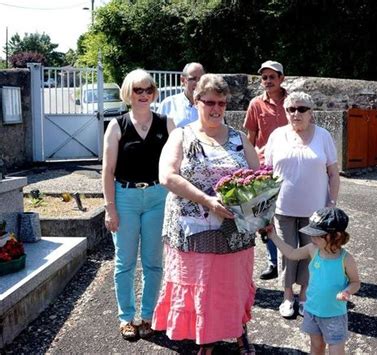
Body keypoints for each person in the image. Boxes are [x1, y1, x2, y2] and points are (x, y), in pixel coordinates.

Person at [152, 74, 260, 355]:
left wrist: (257, 209)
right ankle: (206, 339)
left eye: (221, 103)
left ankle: (239, 332)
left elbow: (258, 179)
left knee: (232, 286)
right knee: (202, 287)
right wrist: (207, 201)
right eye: (209, 102)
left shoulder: (239, 139)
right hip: (192, 229)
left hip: (233, 231)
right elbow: (166, 176)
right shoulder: (182, 135)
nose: (216, 109)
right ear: (197, 101)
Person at [102, 69, 168, 340]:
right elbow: (107, 170)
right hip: (125, 198)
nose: (143, 95)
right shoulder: (117, 125)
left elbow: (178, 165)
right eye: (137, 90)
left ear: (154, 92)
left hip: (157, 197)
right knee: (125, 262)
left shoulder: (166, 123)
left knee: (153, 263)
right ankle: (126, 318)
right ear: (128, 93)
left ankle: (148, 316)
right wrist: (110, 208)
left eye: (148, 89)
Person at [265, 91, 341, 318]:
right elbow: (266, 173)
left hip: (316, 211)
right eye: (291, 109)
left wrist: (331, 204)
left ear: (311, 113)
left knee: (312, 254)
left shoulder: (323, 136)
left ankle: (305, 295)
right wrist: (263, 206)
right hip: (283, 207)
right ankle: (288, 296)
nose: (296, 113)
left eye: (302, 109)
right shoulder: (277, 136)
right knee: (287, 253)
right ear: (285, 112)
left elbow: (334, 174)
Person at [268, 207, 360, 355]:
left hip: (334, 315)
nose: (312, 238)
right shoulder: (313, 249)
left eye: (318, 235)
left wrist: (347, 291)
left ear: (336, 236)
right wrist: (274, 237)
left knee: (336, 351)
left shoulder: (346, 259)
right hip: (312, 311)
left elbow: (355, 282)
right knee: (316, 347)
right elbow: (291, 253)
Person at [244, 60, 288, 281]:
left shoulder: (293, 103)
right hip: (265, 169)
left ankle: (293, 260)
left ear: (282, 78)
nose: (268, 81)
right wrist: (250, 170)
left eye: (273, 77)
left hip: (291, 166)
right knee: (266, 218)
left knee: (291, 215)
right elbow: (250, 139)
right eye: (265, 77)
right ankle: (273, 261)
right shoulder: (255, 104)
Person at [157, 62, 205, 133]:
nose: (197, 83)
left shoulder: (209, 105)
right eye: (193, 79)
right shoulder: (168, 104)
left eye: (200, 79)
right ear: (182, 80)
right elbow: (157, 131)